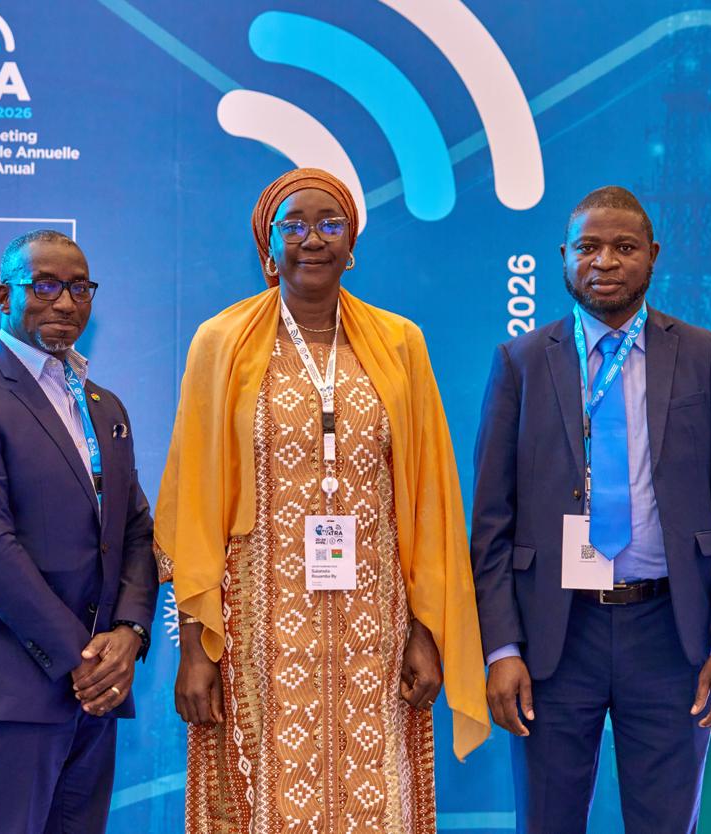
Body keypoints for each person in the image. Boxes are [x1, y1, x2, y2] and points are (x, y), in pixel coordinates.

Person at [154, 168, 489, 833]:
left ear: (352, 243)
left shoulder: (399, 343)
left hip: (377, 630)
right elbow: (192, 505)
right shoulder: (221, 343)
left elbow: (429, 500)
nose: (313, 239)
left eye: (330, 224)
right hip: (254, 634)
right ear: (268, 245)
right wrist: (195, 645)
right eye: (295, 225)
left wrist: (427, 631)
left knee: (377, 802)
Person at [470, 186, 711, 833]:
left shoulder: (703, 356)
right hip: (554, 635)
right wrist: (502, 649)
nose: (605, 261)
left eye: (624, 247)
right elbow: (491, 525)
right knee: (547, 822)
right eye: (589, 247)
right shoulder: (520, 363)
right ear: (563, 256)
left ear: (652, 255)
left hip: (670, 633)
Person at [0, 230, 158, 834]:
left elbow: (135, 530)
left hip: (98, 686)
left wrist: (128, 634)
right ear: (4, 297)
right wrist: (82, 658)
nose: (66, 302)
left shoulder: (106, 407)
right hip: (16, 681)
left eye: (80, 287)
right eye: (45, 285)